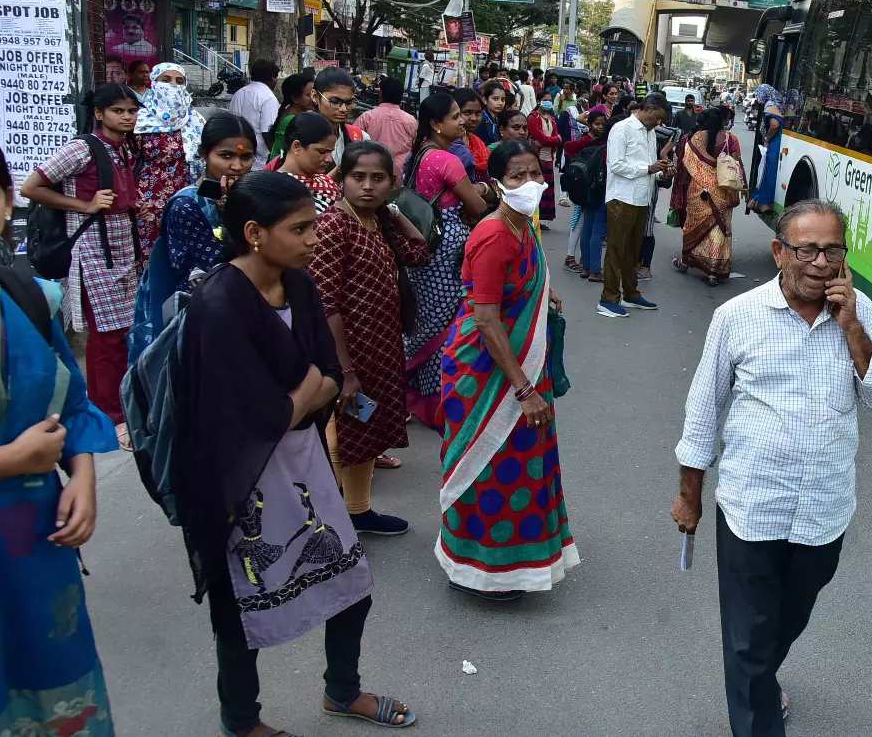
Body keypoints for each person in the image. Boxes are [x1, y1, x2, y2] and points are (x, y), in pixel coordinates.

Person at [174, 171, 416, 736]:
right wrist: (305, 393)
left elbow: (327, 374)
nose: (313, 239)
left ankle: (342, 691)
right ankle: (241, 721)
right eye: (300, 228)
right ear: (255, 233)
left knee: (350, 583)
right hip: (239, 479)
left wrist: (302, 394)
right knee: (241, 606)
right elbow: (259, 414)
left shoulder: (300, 285)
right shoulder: (219, 303)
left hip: (303, 460)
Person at [671, 199, 872, 737]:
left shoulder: (861, 314)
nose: (821, 263)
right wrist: (689, 493)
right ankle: (757, 707)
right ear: (779, 252)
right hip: (752, 506)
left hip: (823, 511)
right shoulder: (737, 316)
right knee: (749, 636)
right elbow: (703, 408)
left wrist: (851, 328)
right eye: (807, 250)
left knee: (789, 618)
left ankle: (760, 678)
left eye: (832, 251)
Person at [0, 130, 119, 737]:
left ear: (7, 200)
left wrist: (84, 476)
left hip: (37, 551)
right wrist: (9, 460)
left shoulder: (29, 297)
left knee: (57, 700)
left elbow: (75, 405)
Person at [436, 140, 577, 599]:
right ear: (497, 184)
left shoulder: (522, 224)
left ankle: (517, 564)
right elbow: (486, 318)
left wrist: (544, 291)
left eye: (535, 173)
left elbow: (520, 280)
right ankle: (479, 569)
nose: (530, 183)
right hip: (489, 372)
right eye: (517, 175)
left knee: (521, 461)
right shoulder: (496, 234)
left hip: (518, 365)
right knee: (489, 463)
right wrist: (523, 389)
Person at [312, 141, 431, 537]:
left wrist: (393, 213)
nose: (367, 186)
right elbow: (326, 304)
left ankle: (357, 512)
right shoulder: (334, 226)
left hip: (379, 349)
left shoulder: (376, 220)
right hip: (348, 355)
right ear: (341, 180)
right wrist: (345, 371)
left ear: (391, 183)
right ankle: (330, 522)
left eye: (377, 178)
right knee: (342, 435)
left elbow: (420, 252)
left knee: (362, 434)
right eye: (358, 177)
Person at [22, 85, 143, 442]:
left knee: (121, 334)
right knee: (106, 337)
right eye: (118, 110)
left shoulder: (124, 148)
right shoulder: (82, 148)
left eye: (131, 110)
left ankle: (117, 407)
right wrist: (85, 205)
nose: (126, 117)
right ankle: (108, 415)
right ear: (99, 114)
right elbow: (31, 187)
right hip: (93, 251)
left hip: (122, 249)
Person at [129, 112, 257, 360]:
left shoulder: (250, 198)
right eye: (226, 156)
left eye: (246, 157)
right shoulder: (186, 205)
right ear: (203, 155)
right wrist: (231, 214)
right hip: (192, 310)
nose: (237, 166)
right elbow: (217, 265)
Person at [401, 93, 489, 427]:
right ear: (436, 125)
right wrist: (482, 190)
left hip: (424, 242)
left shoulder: (419, 154)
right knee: (444, 323)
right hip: (448, 246)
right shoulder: (446, 159)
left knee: (425, 317)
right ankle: (436, 398)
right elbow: (477, 206)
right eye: (455, 117)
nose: (462, 121)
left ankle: (417, 396)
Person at [597, 93, 671, 318]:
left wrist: (660, 172)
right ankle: (608, 299)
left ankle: (631, 294)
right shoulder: (622, 129)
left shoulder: (650, 132)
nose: (659, 123)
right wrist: (649, 169)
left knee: (633, 251)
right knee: (616, 250)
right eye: (657, 117)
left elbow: (648, 167)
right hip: (622, 198)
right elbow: (616, 165)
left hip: (642, 198)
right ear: (647, 109)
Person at [670, 108, 746, 284]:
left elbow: (685, 161)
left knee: (692, 225)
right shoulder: (729, 139)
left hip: (698, 189)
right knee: (718, 229)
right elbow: (736, 163)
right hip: (722, 189)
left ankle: (685, 262)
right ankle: (713, 272)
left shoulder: (696, 138)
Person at [133, 62, 201, 255]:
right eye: (166, 80)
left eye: (179, 81)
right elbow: (126, 162)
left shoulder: (195, 120)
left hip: (186, 198)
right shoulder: (139, 120)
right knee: (151, 255)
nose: (173, 85)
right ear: (154, 83)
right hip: (147, 202)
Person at [563, 110, 608, 276]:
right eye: (597, 124)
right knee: (581, 225)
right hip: (588, 189)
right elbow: (568, 147)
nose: (600, 127)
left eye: (603, 124)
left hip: (588, 188)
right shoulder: (588, 141)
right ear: (589, 125)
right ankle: (572, 257)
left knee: (585, 226)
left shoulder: (599, 140)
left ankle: (585, 261)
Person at [275, 111, 341, 212]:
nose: (329, 159)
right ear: (297, 147)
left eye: (331, 152)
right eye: (322, 151)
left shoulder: (325, 182)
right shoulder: (277, 189)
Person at [353, 76, 418, 178]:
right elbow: (415, 147)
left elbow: (353, 144)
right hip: (400, 175)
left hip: (371, 172)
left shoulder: (367, 117)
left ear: (380, 93)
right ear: (401, 96)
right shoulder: (411, 121)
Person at [228, 58, 281, 168]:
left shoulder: (239, 93)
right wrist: (275, 157)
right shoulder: (268, 97)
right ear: (273, 78)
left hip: (237, 152)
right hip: (259, 159)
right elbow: (267, 131)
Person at [313, 67, 369, 164]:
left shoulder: (360, 138)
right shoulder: (301, 136)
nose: (343, 109)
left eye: (349, 102)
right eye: (335, 101)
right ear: (315, 97)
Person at [748, 84, 786, 215]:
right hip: (781, 142)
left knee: (768, 173)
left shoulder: (770, 106)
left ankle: (765, 203)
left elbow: (774, 125)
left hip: (774, 144)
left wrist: (767, 139)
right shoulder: (781, 105)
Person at [266, 71, 317, 161]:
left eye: (314, 93)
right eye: (308, 95)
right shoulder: (291, 119)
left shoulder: (297, 114)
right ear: (295, 98)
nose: (313, 98)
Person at [447, 86, 492, 184]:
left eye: (478, 113)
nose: (474, 118)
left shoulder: (476, 141)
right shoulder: (446, 142)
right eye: (467, 113)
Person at [528, 99, 562, 227]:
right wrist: (554, 139)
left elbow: (556, 139)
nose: (548, 102)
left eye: (549, 100)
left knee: (546, 190)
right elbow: (543, 138)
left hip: (548, 157)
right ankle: (534, 219)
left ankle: (540, 220)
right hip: (538, 157)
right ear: (539, 101)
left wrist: (551, 140)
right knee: (537, 188)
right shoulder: (532, 118)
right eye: (545, 100)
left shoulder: (551, 118)